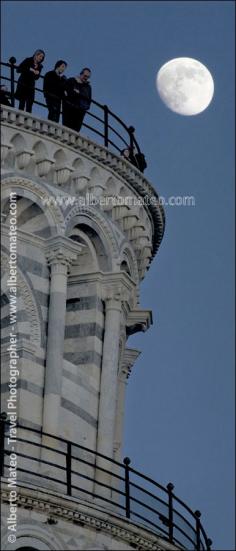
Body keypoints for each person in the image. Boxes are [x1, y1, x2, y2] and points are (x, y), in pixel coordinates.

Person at [62, 68, 92, 132]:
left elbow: (89, 99)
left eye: (88, 77)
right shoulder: (72, 80)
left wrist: (86, 107)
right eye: (85, 76)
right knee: (66, 128)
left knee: (76, 130)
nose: (86, 78)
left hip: (81, 110)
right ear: (81, 74)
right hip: (69, 108)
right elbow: (65, 91)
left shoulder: (88, 87)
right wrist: (75, 93)